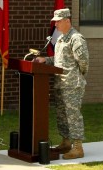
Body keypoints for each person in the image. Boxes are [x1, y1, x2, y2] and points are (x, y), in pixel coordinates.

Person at [34, 8, 89, 159]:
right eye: (55, 21)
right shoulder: (60, 39)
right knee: (62, 115)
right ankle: (66, 142)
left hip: (72, 85)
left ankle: (78, 147)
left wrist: (76, 76)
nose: (56, 24)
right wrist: (45, 60)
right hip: (60, 83)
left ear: (67, 21)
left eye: (58, 21)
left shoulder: (76, 38)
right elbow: (58, 60)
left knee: (73, 115)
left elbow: (84, 63)